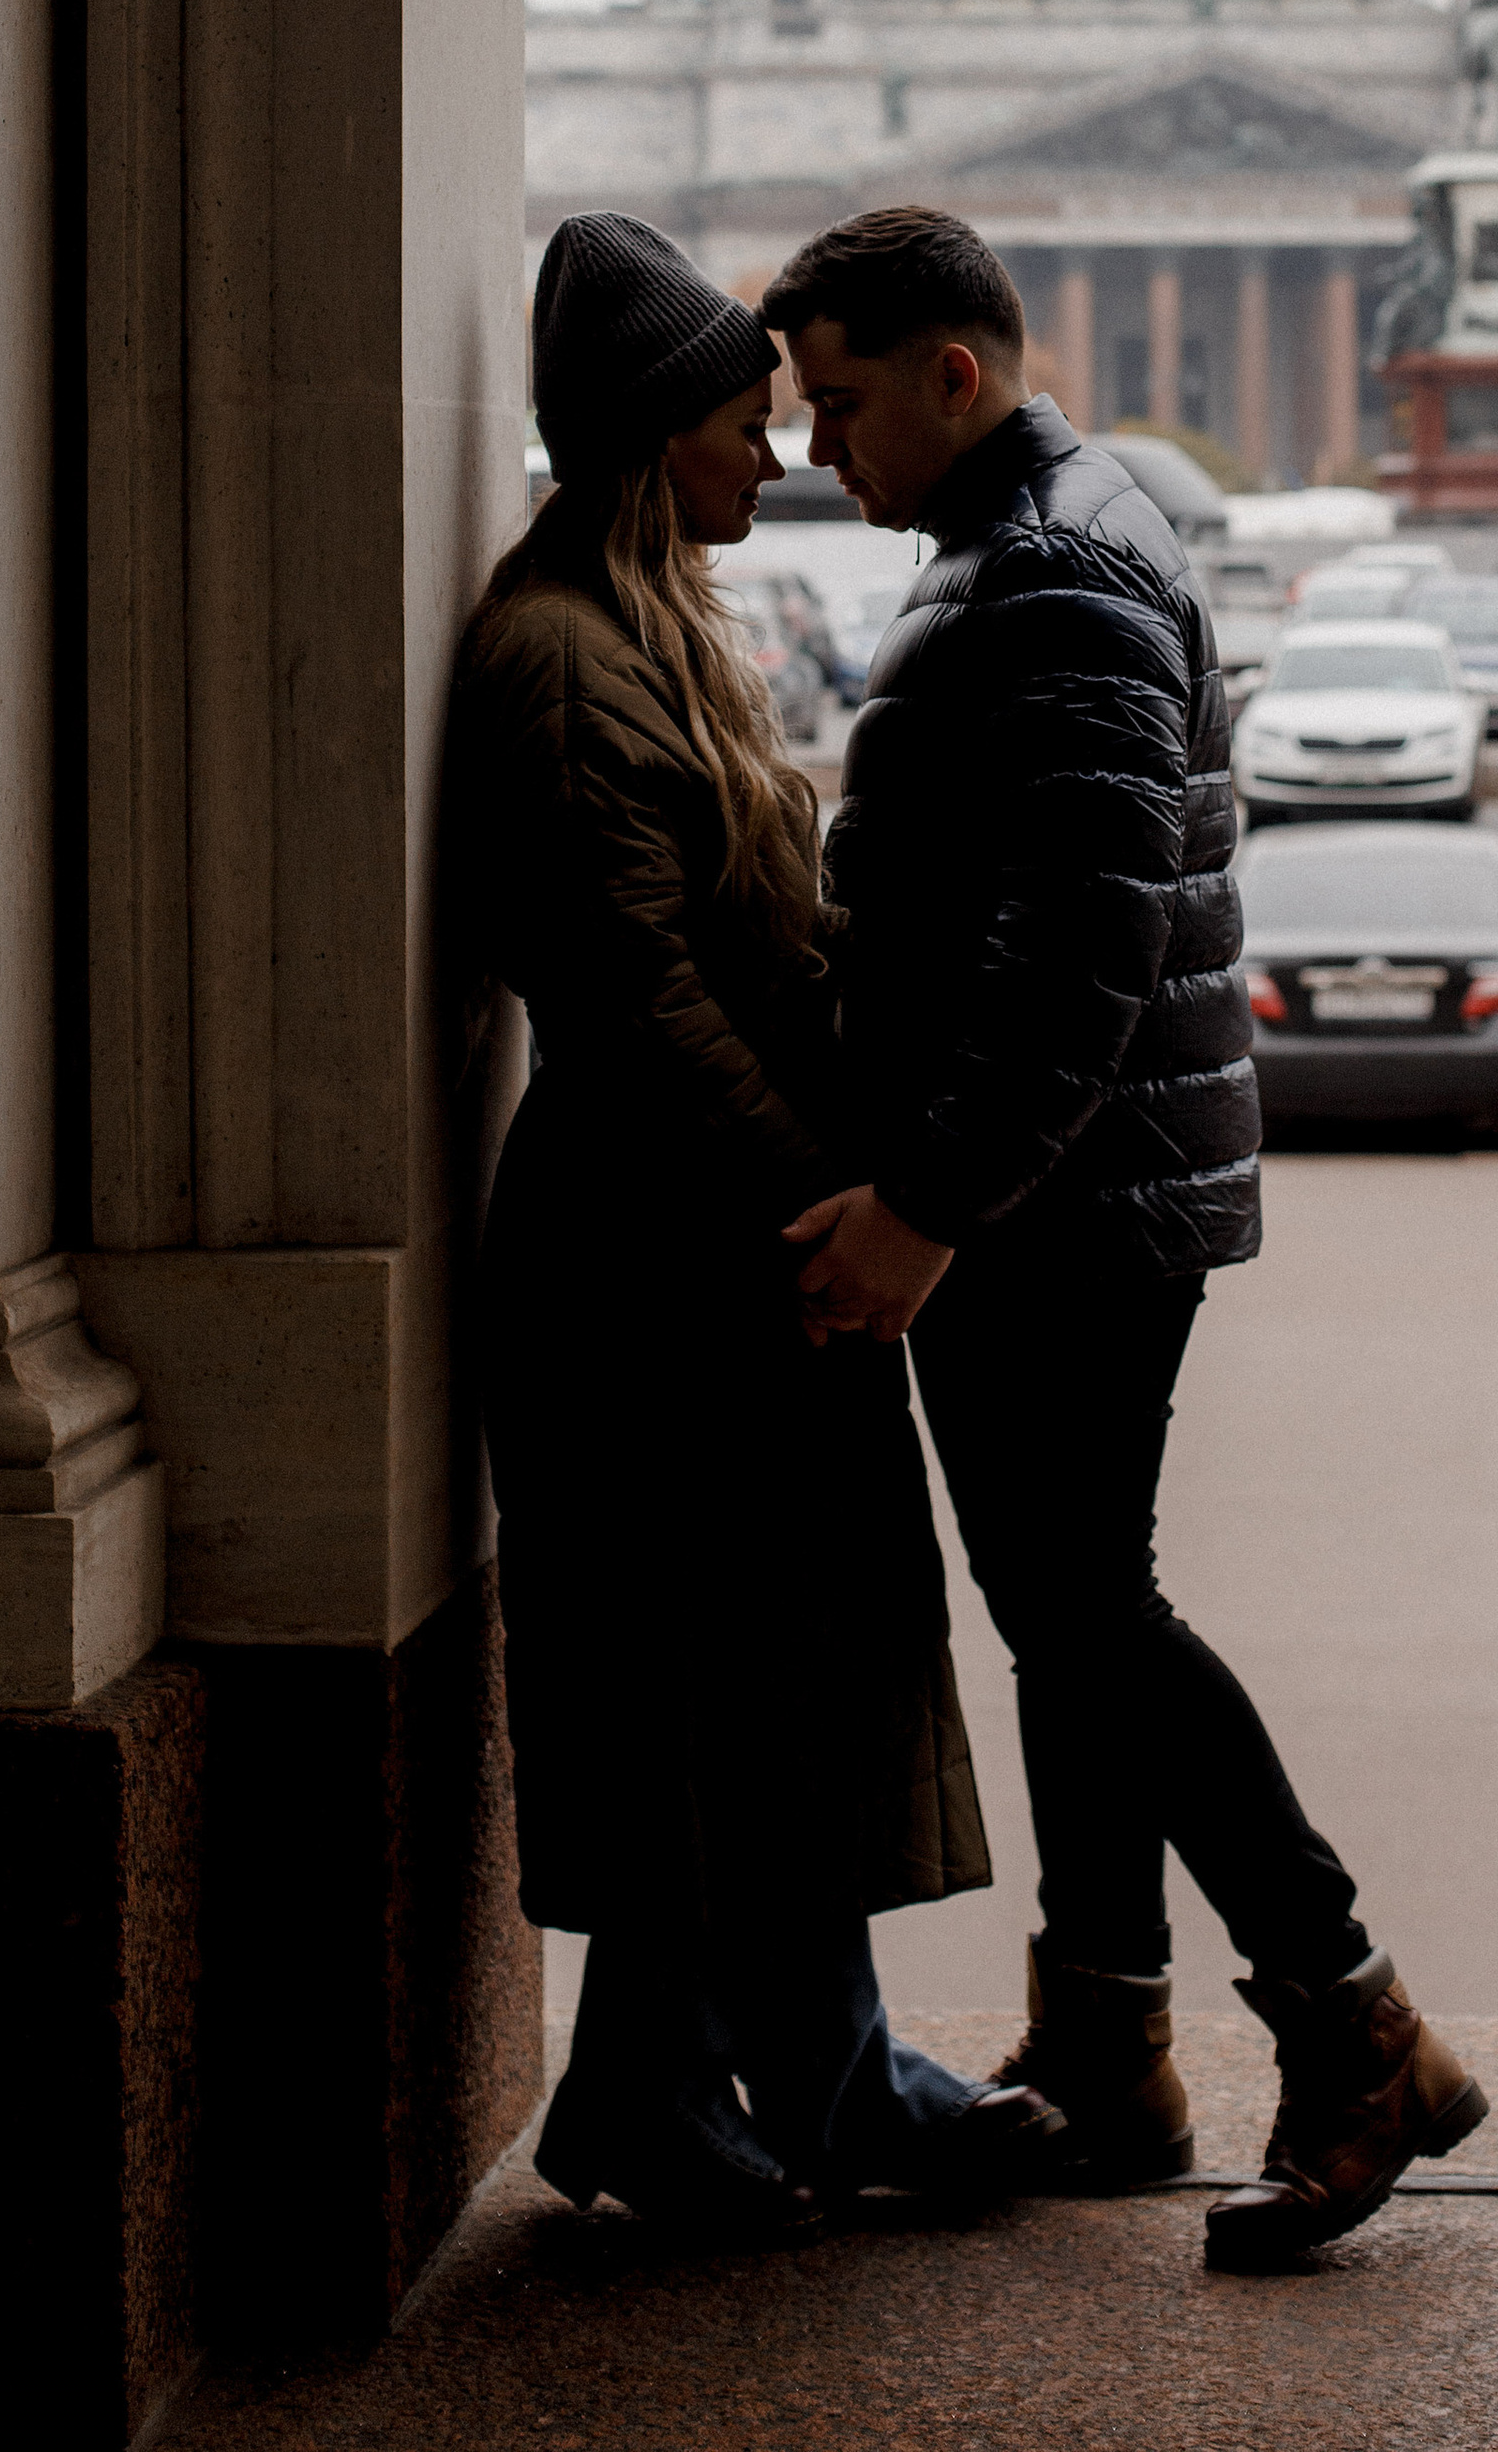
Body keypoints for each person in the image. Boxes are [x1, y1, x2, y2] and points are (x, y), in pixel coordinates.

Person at [761, 205, 1489, 2272]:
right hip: (1074, 1192)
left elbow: (1073, 944)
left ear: (952, 375)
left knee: (1089, 1618)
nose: (821, 446)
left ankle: (1352, 2028)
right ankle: (1106, 2046)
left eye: (838, 397)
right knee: (1070, 1612)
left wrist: (924, 1207)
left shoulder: (1055, 567)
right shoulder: (1046, 532)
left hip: (1053, 1207)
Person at [455, 210, 1056, 2235]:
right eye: (740, 423)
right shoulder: (556, 656)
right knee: (691, 1690)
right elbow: (631, 997)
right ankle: (670, 2091)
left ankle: (802, 2071)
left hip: (722, 1239)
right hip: (648, 1255)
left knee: (773, 1684)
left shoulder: (644, 628)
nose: (779, 457)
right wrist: (832, 1196)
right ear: (652, 440)